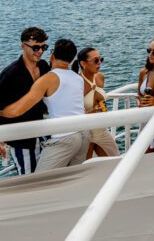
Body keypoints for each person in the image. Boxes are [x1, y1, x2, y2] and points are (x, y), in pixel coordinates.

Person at [0, 39, 89, 172]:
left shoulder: (48, 79)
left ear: (52, 56)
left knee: (38, 181)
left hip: (65, 137)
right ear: (71, 60)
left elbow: (17, 111)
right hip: (84, 133)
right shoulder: (78, 78)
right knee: (70, 178)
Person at [0, 27, 50, 174]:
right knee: (29, 177)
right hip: (21, 139)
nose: (40, 51)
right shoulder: (11, 74)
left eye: (43, 47)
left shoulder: (43, 66)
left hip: (42, 132)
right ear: (23, 46)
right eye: (36, 47)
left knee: (47, 174)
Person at [72, 47, 119, 157]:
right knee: (86, 167)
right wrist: (90, 113)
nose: (99, 63)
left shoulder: (100, 77)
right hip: (85, 133)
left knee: (115, 160)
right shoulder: (77, 83)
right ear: (83, 63)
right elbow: (71, 113)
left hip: (102, 130)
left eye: (100, 59)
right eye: (95, 60)